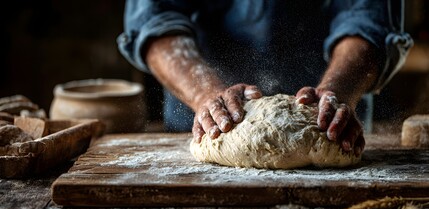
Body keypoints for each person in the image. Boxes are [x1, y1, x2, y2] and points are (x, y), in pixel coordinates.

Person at [117, 0, 412, 156]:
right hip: (208, 120)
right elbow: (154, 18)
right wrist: (205, 94)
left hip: (332, 124)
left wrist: (336, 90)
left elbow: (367, 16)